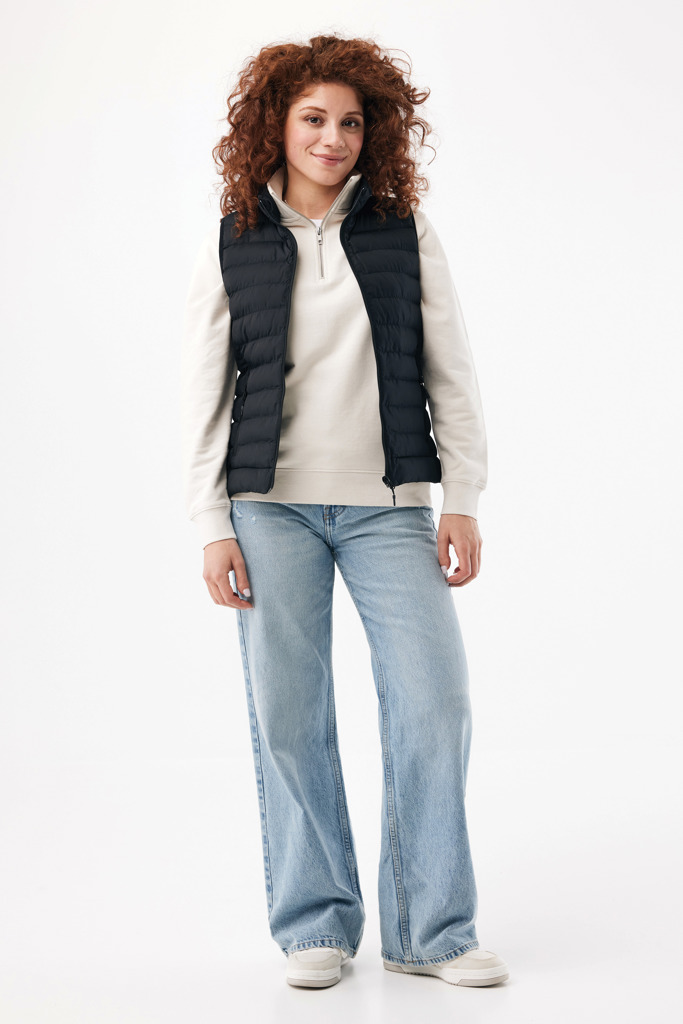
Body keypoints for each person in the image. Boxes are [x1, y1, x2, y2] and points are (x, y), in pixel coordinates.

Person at [180, 33, 510, 990]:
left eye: (352, 122)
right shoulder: (235, 235)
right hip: (267, 510)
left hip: (388, 509)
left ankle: (430, 932)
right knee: (289, 715)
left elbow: (451, 368)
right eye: (313, 119)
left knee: (434, 702)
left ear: (375, 134)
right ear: (275, 126)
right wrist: (210, 522)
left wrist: (461, 499)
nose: (333, 138)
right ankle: (314, 924)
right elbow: (204, 390)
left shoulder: (403, 232)